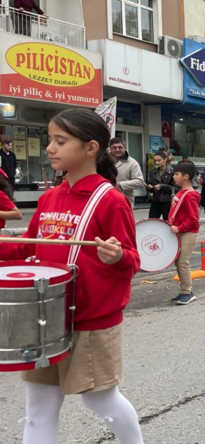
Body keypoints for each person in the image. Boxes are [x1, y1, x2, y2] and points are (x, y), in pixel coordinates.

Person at [1, 108, 143, 443]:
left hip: (91, 320)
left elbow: (133, 261)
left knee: (101, 400)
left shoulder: (110, 200)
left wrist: (119, 255)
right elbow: (26, 249)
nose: (50, 148)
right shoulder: (50, 198)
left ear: (91, 147)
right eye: (51, 140)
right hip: (45, 319)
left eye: (60, 141)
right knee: (39, 406)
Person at [169, 161, 201, 305]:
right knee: (178, 261)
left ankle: (187, 292)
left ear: (186, 176)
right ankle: (184, 291)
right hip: (181, 231)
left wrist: (179, 228)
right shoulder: (181, 192)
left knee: (183, 262)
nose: (173, 176)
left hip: (188, 232)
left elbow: (194, 220)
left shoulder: (190, 195)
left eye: (176, 174)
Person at [109, 138, 145, 210]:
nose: (117, 150)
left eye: (120, 147)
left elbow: (140, 181)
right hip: (106, 200)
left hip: (124, 201)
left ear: (125, 148)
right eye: (114, 148)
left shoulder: (132, 163)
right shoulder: (103, 161)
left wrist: (120, 185)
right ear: (110, 149)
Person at [146, 152, 174, 221]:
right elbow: (150, 185)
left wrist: (162, 186)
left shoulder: (172, 171)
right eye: (155, 160)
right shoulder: (152, 172)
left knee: (168, 223)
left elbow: (175, 188)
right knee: (152, 222)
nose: (157, 163)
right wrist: (149, 187)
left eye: (159, 160)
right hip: (155, 201)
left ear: (165, 159)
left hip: (168, 201)